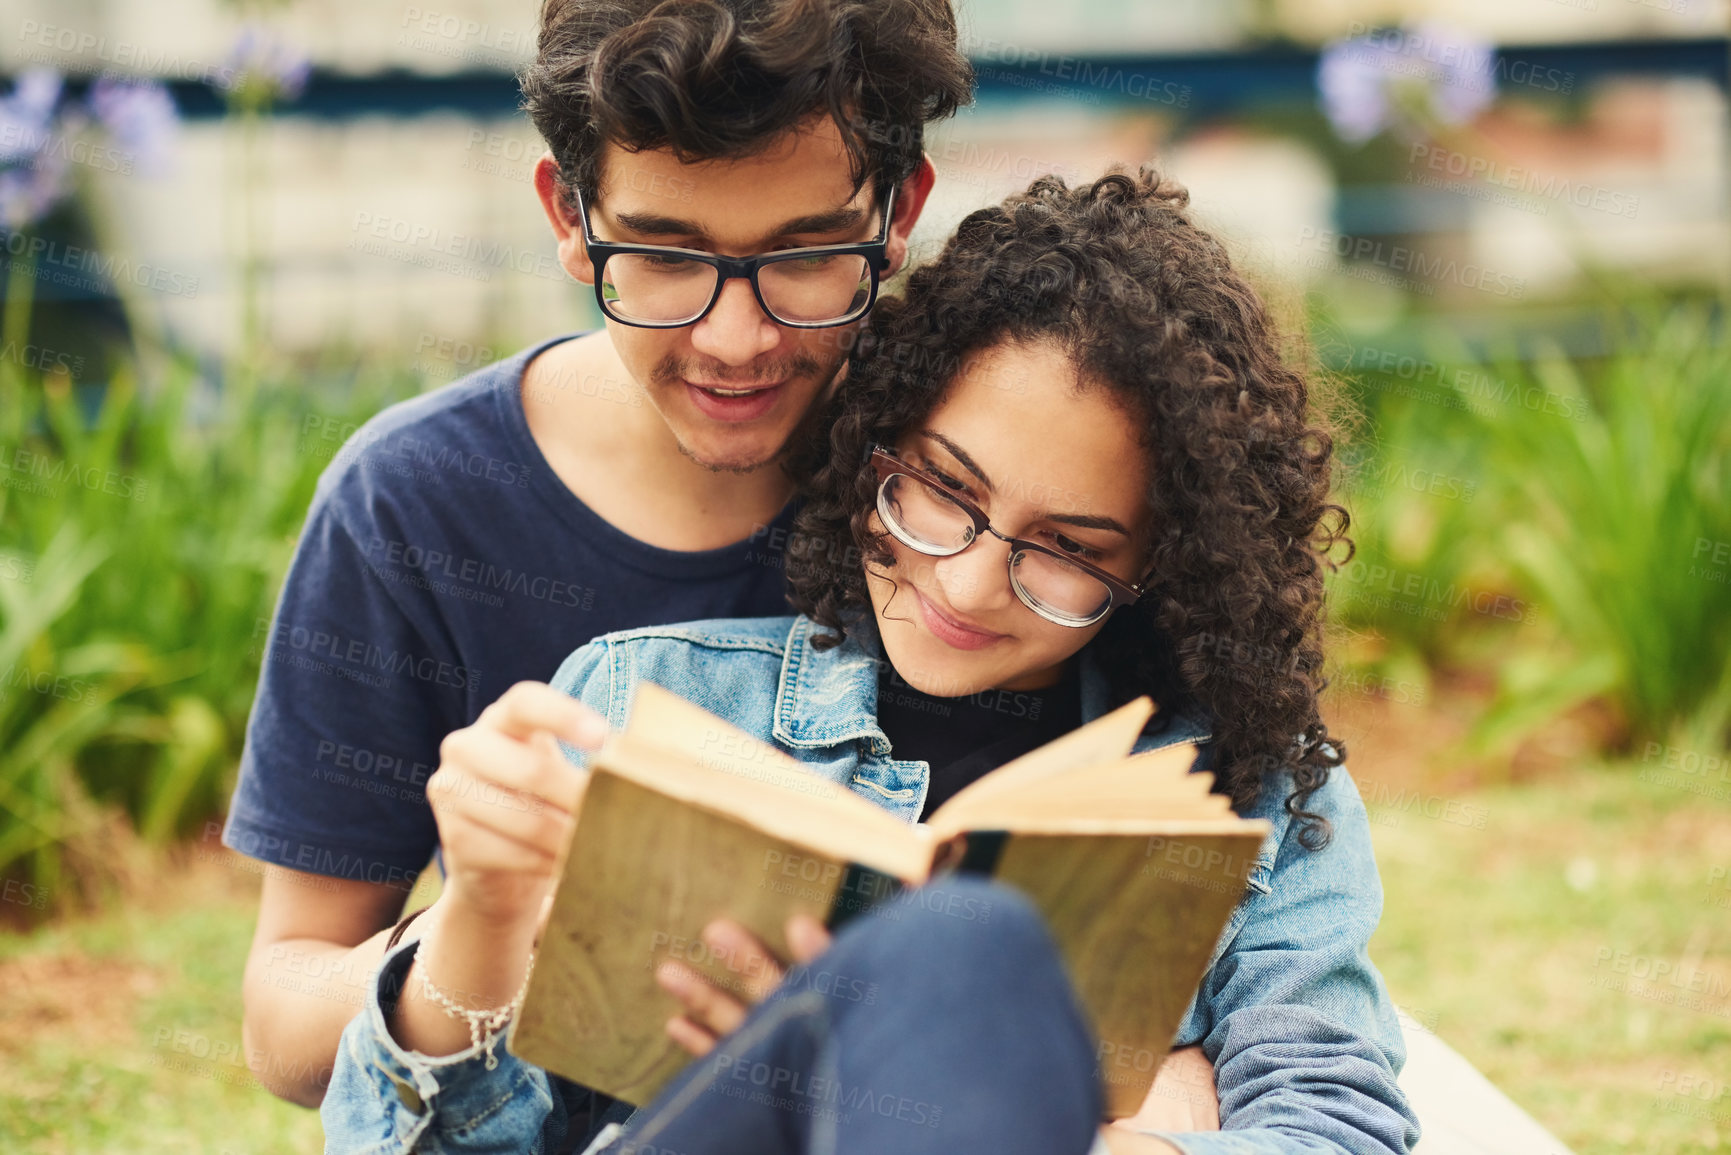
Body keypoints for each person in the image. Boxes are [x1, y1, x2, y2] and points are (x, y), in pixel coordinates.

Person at [320, 169, 1423, 1155]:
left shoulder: (1264, 799)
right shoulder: (639, 701)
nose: (969, 583)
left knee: (964, 946)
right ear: (876, 441)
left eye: (1068, 552)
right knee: (967, 935)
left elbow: (1340, 1125)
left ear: (1162, 573)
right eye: (942, 490)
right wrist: (483, 924)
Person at [222, 0, 971, 1109]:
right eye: (665, 257)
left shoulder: (985, 486)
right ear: (569, 217)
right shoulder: (416, 507)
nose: (735, 341)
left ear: (899, 211)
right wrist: (487, 926)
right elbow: (282, 1025)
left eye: (807, 255)